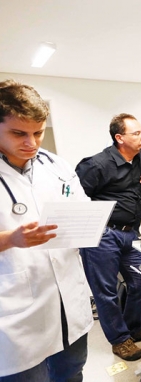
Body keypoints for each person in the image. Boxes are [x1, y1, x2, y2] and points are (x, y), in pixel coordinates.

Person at [0, 80, 93, 381]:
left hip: (68, 297)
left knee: (72, 372)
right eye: (19, 133)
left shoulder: (56, 165)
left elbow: (81, 207)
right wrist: (11, 239)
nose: (32, 143)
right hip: (15, 311)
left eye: (38, 132)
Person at [76, 114, 141, 361]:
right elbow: (74, 199)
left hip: (130, 233)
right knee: (106, 291)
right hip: (103, 235)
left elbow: (140, 194)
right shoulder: (96, 165)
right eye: (137, 133)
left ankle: (133, 327)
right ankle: (120, 339)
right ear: (119, 138)